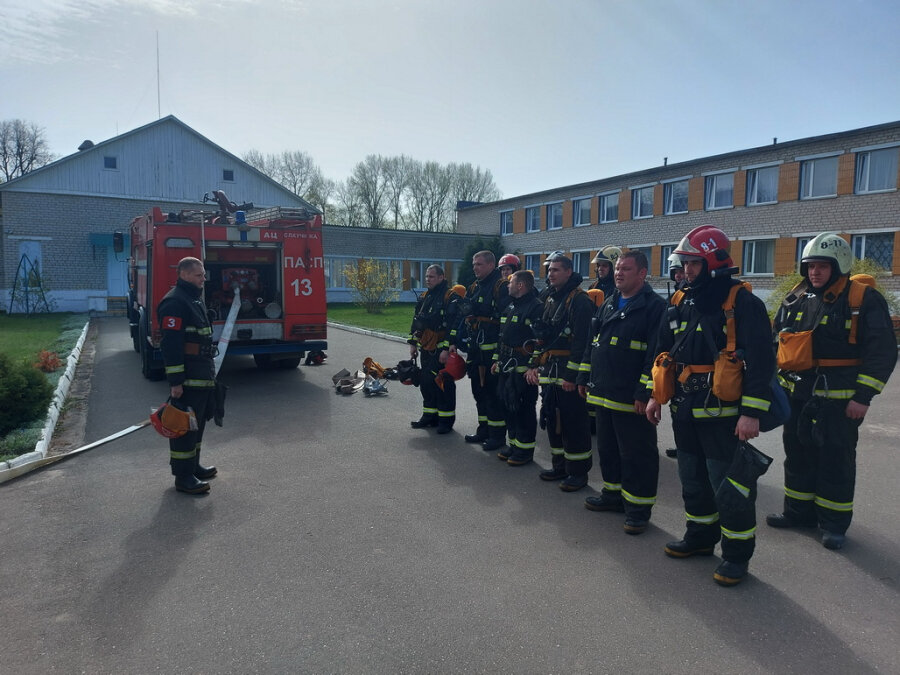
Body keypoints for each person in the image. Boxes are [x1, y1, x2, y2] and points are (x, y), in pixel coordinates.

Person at [645, 226, 775, 587]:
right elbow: (663, 351)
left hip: (724, 415)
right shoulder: (680, 300)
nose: (685, 272)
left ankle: (736, 555)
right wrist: (656, 395)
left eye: (692, 265)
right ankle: (700, 538)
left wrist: (751, 413)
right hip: (685, 409)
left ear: (714, 262)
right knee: (692, 480)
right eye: (683, 264)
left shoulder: (743, 302)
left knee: (729, 487)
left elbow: (764, 361)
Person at [768, 233, 896, 550]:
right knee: (798, 456)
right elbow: (776, 343)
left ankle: (833, 524)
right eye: (810, 266)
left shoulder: (862, 299)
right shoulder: (795, 298)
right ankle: (798, 513)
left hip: (839, 402)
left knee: (835, 461)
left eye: (823, 266)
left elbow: (882, 352)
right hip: (798, 396)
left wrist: (862, 397)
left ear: (839, 266)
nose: (815, 273)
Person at [579, 251, 666, 534]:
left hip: (631, 398)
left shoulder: (654, 307)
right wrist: (583, 375)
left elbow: (654, 355)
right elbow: (593, 344)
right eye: (617, 269)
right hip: (603, 392)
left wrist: (645, 391)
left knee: (637, 454)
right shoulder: (609, 303)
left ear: (642, 273)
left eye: (625, 269)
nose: (618, 273)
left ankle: (638, 510)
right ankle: (613, 495)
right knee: (608, 449)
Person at [526, 252, 594, 491]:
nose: (551, 274)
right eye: (549, 270)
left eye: (556, 270)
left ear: (568, 271)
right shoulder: (550, 297)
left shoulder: (580, 301)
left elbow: (583, 343)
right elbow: (541, 336)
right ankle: (559, 466)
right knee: (552, 418)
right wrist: (535, 364)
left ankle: (578, 473)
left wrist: (572, 376)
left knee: (573, 423)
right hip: (550, 369)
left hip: (567, 374)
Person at [158, 257, 219, 495]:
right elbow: (171, 346)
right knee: (184, 427)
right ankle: (183, 477)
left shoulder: (194, 299)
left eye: (203, 275)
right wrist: (176, 382)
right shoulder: (174, 302)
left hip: (202, 373)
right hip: (188, 378)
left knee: (198, 425)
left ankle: (193, 466)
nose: (203, 279)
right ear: (183, 274)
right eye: (198, 275)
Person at [450, 250, 509, 451]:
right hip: (476, 350)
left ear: (491, 265)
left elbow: (505, 319)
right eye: (474, 264)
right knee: (478, 392)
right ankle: (483, 429)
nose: (475, 267)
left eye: (479, 264)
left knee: (493, 395)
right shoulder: (474, 286)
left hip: (492, 352)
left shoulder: (501, 287)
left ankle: (497, 436)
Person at [492, 270, 543, 466]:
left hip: (523, 369)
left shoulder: (536, 307)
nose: (507, 285)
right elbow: (501, 336)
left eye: (511, 282)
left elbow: (540, 341)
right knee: (508, 406)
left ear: (521, 285)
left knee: (523, 409)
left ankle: (525, 450)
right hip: (506, 365)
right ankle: (514, 444)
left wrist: (533, 366)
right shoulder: (511, 306)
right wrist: (497, 360)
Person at [408, 264, 457, 434]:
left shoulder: (449, 296)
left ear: (442, 277)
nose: (428, 279)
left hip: (441, 350)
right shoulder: (425, 296)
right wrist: (413, 343)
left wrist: (446, 349)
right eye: (427, 276)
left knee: (443, 385)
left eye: (432, 276)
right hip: (426, 348)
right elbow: (417, 321)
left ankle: (445, 421)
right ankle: (429, 416)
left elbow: (453, 324)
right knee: (426, 383)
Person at [664, 253, 686, 459]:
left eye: (682, 271)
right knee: (676, 409)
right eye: (676, 272)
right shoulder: (675, 297)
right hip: (676, 361)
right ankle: (682, 446)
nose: (680, 276)